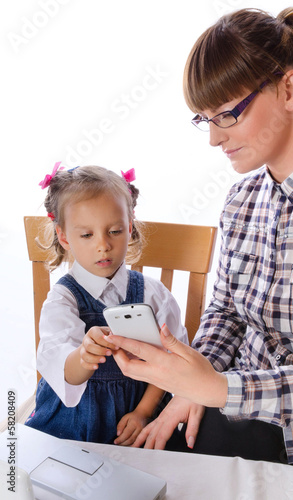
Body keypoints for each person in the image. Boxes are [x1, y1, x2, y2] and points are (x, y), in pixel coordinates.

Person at [106, 6, 293, 470]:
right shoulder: (240, 201)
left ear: (289, 89)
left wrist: (216, 389)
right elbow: (226, 312)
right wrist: (190, 387)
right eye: (203, 119)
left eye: (226, 114)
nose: (213, 138)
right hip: (235, 408)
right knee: (127, 460)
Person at [25, 164, 188, 445]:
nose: (103, 245)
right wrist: (85, 355)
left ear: (130, 226)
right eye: (87, 235)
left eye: (114, 231)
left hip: (138, 416)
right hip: (74, 423)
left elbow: (173, 363)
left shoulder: (153, 293)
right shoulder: (63, 300)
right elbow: (65, 372)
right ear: (64, 236)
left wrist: (143, 412)